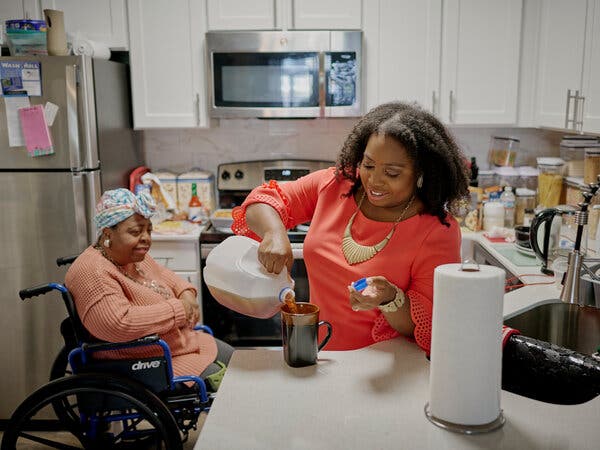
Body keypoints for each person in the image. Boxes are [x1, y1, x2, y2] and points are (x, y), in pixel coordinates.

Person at [231, 101, 470, 353]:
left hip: (383, 372)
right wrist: (274, 232)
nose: (374, 181)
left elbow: (425, 327)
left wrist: (390, 298)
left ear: (422, 173)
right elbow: (261, 200)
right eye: (368, 165)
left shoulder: (437, 231)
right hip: (318, 353)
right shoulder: (335, 185)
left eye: (392, 173)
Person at [65, 188, 233, 391]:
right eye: (136, 232)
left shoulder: (131, 257)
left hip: (176, 346)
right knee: (228, 384)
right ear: (108, 233)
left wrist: (186, 295)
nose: (146, 238)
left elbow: (168, 277)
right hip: (142, 361)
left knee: (237, 360)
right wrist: (178, 309)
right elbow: (119, 323)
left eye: (149, 230)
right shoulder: (93, 272)